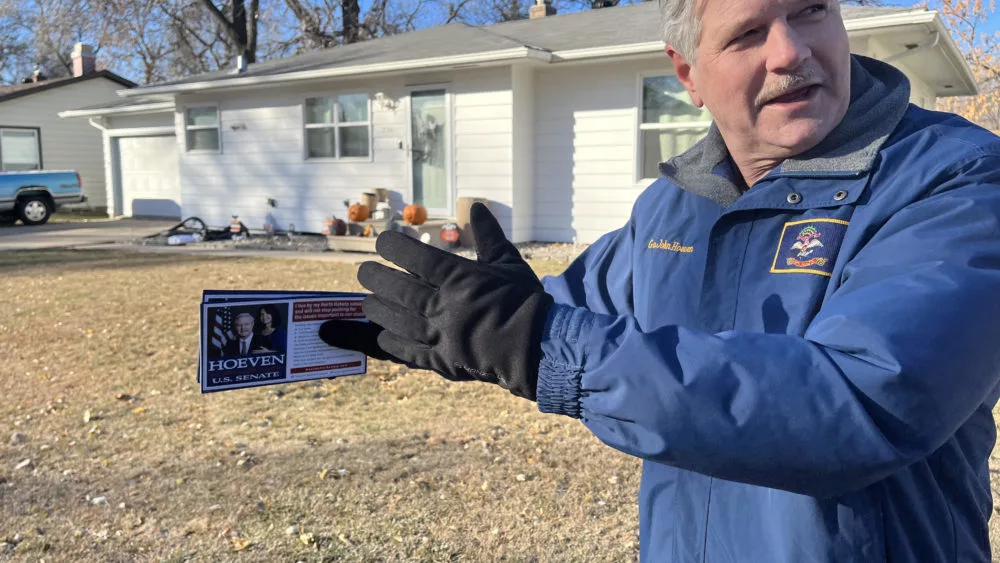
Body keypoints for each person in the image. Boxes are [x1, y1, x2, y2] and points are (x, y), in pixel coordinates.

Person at [319, 0, 1000, 560]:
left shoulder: (953, 178)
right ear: (688, 74)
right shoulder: (675, 207)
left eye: (811, 11)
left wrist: (537, 341)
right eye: (748, 33)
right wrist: (449, 320)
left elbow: (863, 399)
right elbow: (561, 311)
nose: (790, 51)